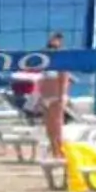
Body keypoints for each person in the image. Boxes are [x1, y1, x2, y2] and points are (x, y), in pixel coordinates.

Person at [35, 30, 73, 166]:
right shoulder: (44, 62)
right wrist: (39, 97)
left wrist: (63, 96)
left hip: (56, 97)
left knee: (57, 126)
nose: (53, 46)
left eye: (56, 44)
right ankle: (55, 152)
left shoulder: (61, 61)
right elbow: (40, 81)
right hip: (45, 96)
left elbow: (65, 79)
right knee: (49, 127)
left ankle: (60, 152)